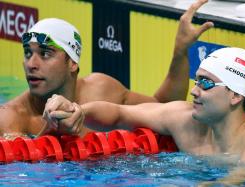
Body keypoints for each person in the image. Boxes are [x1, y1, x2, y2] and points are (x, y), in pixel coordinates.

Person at [0, 0, 213, 139]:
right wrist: (50, 130)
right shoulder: (10, 119)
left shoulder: (102, 89)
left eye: (45, 54)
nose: (31, 64)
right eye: (28, 53)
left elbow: (164, 110)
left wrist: (180, 53)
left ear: (72, 63)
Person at [71, 46, 245, 164]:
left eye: (205, 83)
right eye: (196, 81)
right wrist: (79, 111)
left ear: (235, 95)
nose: (194, 90)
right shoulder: (183, 120)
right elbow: (119, 113)